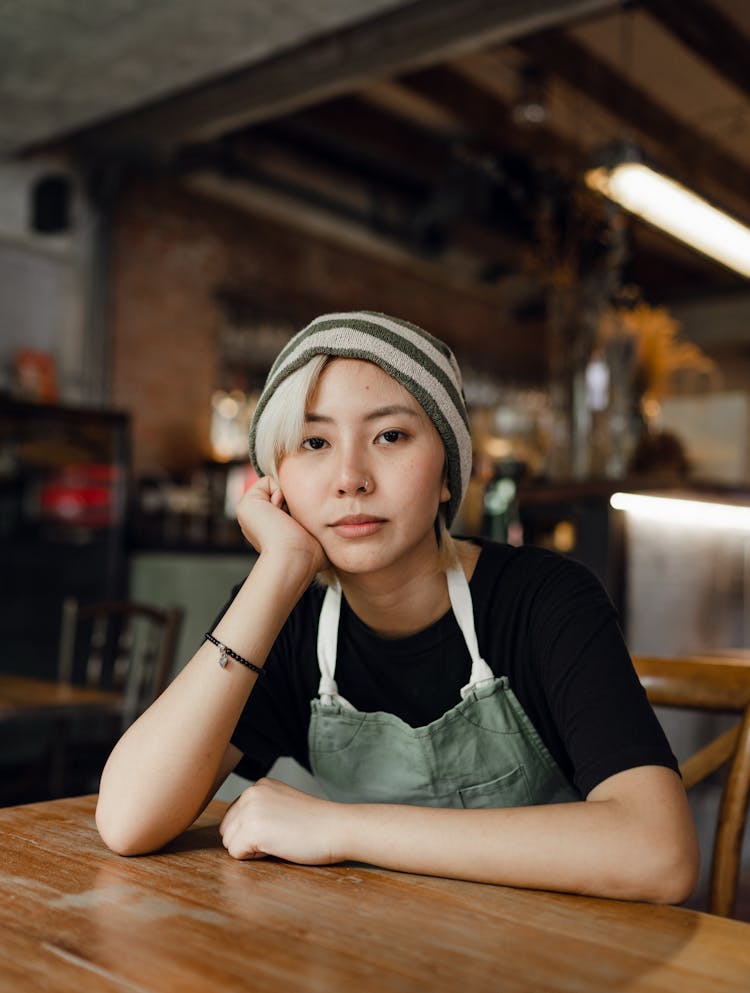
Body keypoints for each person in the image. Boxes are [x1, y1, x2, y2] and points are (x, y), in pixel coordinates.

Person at [97, 311, 699, 903]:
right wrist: (278, 568)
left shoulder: (545, 600)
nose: (351, 477)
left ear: (447, 471)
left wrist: (341, 827)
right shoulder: (286, 615)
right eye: (313, 442)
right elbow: (128, 820)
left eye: (390, 435)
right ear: (275, 480)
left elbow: (657, 853)